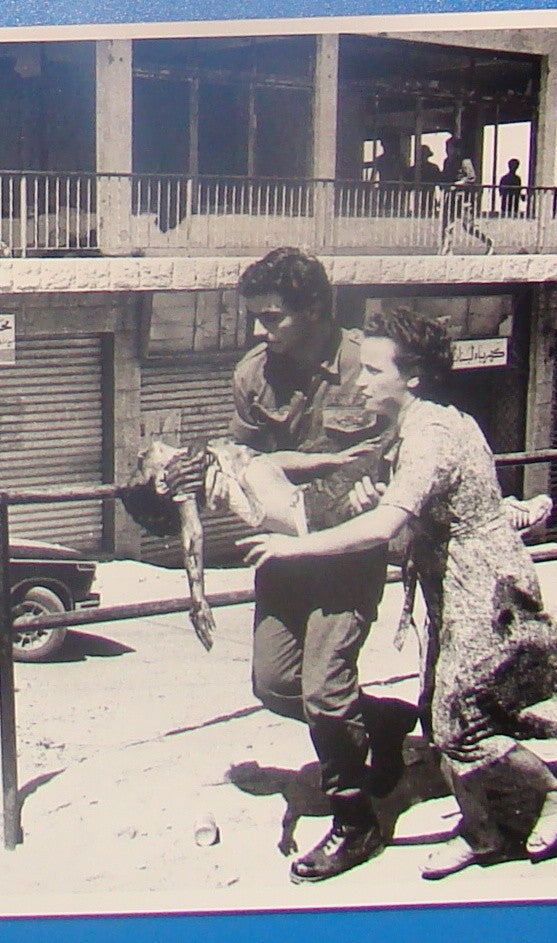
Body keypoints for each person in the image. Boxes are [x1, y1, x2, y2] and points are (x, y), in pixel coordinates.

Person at [238, 308, 557, 880]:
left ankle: (552, 794)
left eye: (376, 371)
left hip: (484, 587)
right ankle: (482, 831)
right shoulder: (409, 429)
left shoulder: (433, 434)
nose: (360, 380)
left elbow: (384, 528)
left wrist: (294, 547)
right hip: (448, 582)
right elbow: (395, 507)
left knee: (459, 723)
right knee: (440, 713)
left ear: (413, 377)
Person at [167, 247, 419, 884]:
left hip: (347, 548)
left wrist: (305, 472)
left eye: (272, 317)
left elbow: (383, 454)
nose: (259, 330)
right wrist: (214, 465)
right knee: (276, 686)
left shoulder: (369, 366)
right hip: (281, 548)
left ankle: (356, 821)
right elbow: (246, 456)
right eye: (254, 318)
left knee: (325, 695)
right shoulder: (254, 374)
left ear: (315, 312)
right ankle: (385, 721)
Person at [439, 136, 495, 255]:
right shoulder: (447, 162)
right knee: (448, 223)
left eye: (450, 148)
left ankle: (489, 242)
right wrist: (444, 185)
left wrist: (458, 184)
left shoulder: (465, 161)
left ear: (457, 149)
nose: (448, 150)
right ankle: (447, 250)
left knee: (469, 226)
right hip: (451, 196)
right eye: (447, 148)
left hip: (463, 197)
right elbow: (445, 177)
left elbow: (471, 177)